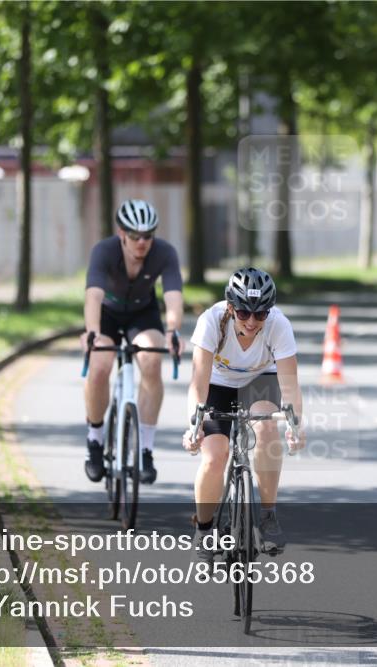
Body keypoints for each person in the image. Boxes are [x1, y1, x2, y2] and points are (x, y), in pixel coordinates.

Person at [183, 268, 305, 562]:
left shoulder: (279, 325)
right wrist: (194, 426)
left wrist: (296, 426)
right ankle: (204, 528)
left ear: (269, 312)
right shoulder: (211, 322)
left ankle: (267, 516)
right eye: (243, 313)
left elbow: (290, 385)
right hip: (217, 384)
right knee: (214, 455)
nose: (251, 322)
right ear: (230, 307)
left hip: (260, 382)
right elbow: (198, 384)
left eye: (260, 314)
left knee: (266, 430)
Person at [81, 199, 183, 485]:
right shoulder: (104, 251)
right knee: (100, 363)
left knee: (151, 358)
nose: (142, 243)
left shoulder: (165, 253)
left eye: (148, 236)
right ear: (122, 233)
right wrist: (92, 332)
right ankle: (95, 440)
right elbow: (93, 296)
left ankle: (145, 449)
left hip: (142, 313)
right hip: (107, 315)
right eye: (135, 236)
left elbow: (173, 296)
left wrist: (173, 331)